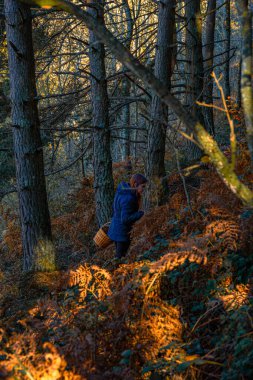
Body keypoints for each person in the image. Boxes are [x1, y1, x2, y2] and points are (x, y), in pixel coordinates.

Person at [108, 174, 148, 259]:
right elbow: (125, 219)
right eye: (143, 186)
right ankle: (116, 272)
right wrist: (141, 214)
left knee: (119, 257)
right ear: (136, 185)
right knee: (119, 258)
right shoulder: (128, 198)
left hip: (116, 228)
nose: (144, 189)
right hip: (122, 233)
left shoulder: (123, 190)